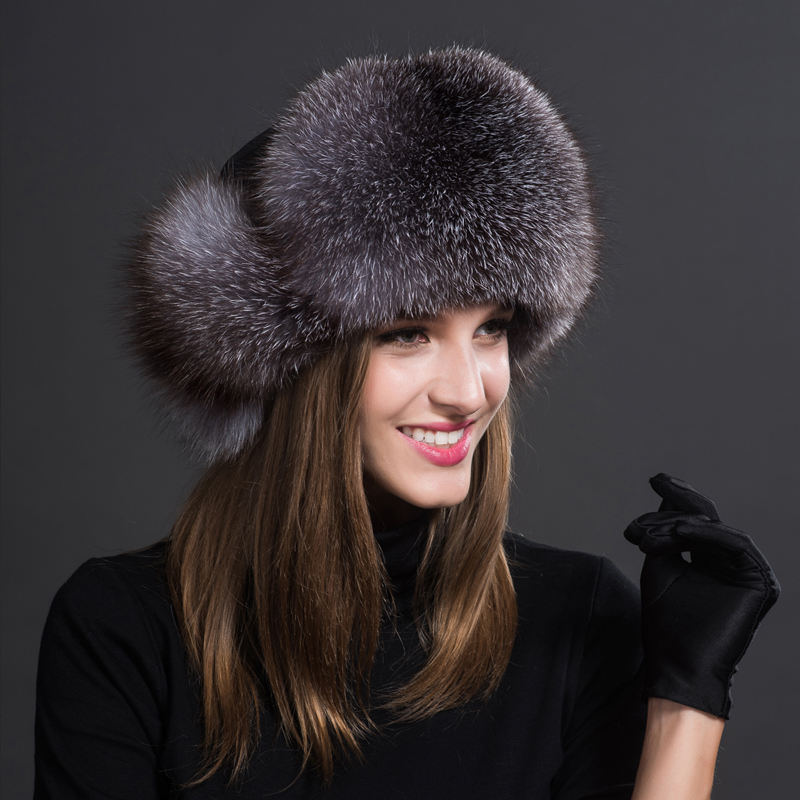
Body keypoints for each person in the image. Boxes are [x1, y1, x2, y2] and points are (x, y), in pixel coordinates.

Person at [34, 46, 780, 799]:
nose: (469, 391)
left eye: (491, 328)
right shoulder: (125, 628)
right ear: (293, 367)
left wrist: (687, 697)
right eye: (406, 333)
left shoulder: (576, 616)